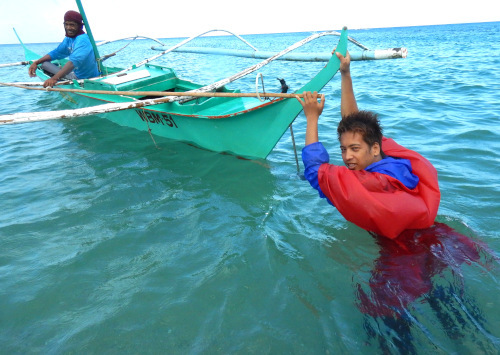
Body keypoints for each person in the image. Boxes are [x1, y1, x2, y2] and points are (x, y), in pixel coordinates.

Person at [296, 51, 440, 239]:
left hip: (403, 249)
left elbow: (315, 170)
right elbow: (354, 124)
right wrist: (345, 73)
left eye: (354, 149)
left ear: (374, 148)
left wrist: (312, 117)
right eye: (343, 149)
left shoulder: (371, 183)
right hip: (434, 231)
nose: (347, 157)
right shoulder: (397, 159)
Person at [28, 10, 100, 87]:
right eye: (66, 24)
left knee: (45, 65)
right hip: (77, 72)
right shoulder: (69, 38)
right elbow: (56, 53)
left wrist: (54, 78)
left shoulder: (82, 40)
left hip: (84, 79)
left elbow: (72, 63)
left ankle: (57, 79)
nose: (68, 28)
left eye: (72, 25)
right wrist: (36, 62)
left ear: (80, 26)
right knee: (44, 62)